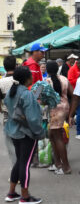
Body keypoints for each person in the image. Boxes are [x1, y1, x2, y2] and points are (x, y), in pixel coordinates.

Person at [4, 66, 45, 203]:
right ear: (27, 78)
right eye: (31, 75)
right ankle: (25, 196)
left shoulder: (12, 91)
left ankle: (11, 193)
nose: (32, 77)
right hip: (26, 133)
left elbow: (7, 105)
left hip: (14, 131)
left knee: (19, 162)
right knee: (25, 164)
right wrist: (39, 132)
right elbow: (33, 119)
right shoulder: (26, 94)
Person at [46, 61, 72, 175]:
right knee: (52, 135)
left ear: (47, 70)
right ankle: (57, 163)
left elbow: (36, 95)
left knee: (57, 138)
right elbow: (73, 93)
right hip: (64, 108)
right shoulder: (64, 79)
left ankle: (65, 167)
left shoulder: (46, 81)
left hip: (54, 111)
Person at [0, 56, 17, 166]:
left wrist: (1, 109)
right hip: (23, 117)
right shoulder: (20, 80)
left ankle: (14, 170)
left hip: (8, 117)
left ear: (5, 68)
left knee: (11, 146)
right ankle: (22, 170)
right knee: (21, 145)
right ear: (16, 66)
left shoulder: (1, 82)